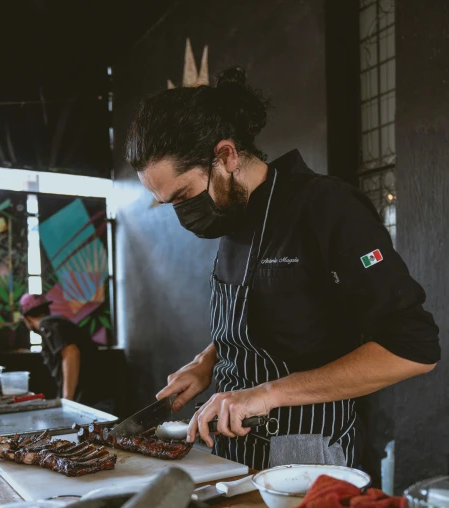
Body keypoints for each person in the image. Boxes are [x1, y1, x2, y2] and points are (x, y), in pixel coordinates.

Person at [125, 66, 440, 471]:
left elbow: (414, 348)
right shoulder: (231, 212)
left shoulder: (328, 208)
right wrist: (209, 361)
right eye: (171, 203)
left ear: (226, 155)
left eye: (185, 195)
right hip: (230, 450)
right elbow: (279, 317)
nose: (183, 213)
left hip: (305, 453)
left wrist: (267, 393)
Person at [19, 293, 100, 405]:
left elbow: (71, 352)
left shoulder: (47, 324)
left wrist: (68, 400)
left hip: (88, 400)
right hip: (95, 396)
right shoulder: (58, 323)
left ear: (26, 319)